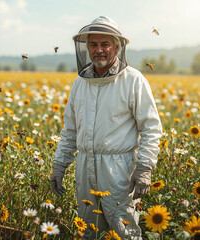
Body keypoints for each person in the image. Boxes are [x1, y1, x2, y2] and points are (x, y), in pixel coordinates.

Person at [50, 16, 162, 239]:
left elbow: (151, 128)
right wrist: (59, 164)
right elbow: (70, 131)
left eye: (105, 44)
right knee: (88, 230)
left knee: (124, 230)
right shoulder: (80, 83)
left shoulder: (133, 80)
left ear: (117, 47)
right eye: (93, 44)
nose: (99, 50)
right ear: (86, 47)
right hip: (85, 168)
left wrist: (144, 168)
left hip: (119, 171)